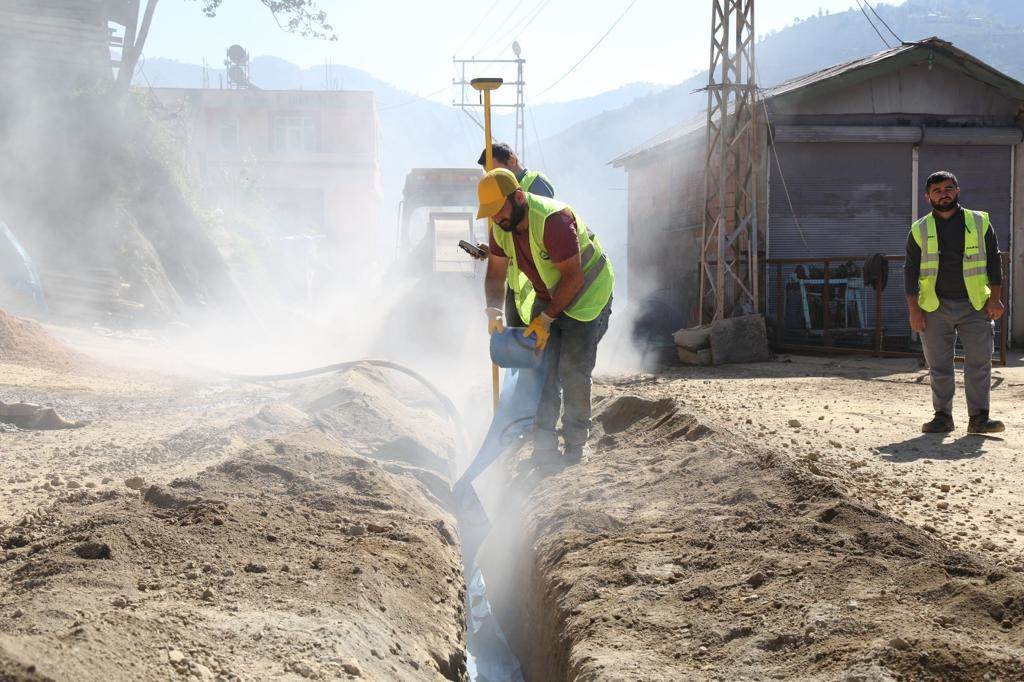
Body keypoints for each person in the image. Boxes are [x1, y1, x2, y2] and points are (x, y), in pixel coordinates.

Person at [477, 168, 613, 465]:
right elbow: (495, 274)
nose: (497, 218)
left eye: (499, 209)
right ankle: (543, 447)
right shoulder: (501, 227)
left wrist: (547, 319)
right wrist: (493, 309)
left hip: (587, 295)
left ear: (517, 197)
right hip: (551, 293)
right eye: (490, 213)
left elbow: (574, 279)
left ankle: (576, 446)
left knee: (573, 371)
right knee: (540, 372)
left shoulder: (554, 221)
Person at [905, 170, 1005, 434]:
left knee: (979, 363)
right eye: (936, 190)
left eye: (948, 188)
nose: (943, 193)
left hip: (975, 305)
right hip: (934, 308)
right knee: (939, 367)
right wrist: (914, 310)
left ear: (957, 191)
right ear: (927, 197)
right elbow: (910, 271)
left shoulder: (979, 222)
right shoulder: (920, 228)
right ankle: (942, 418)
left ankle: (979, 419)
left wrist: (995, 299)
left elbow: (995, 262)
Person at [475, 143, 554, 327]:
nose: (493, 179)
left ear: (512, 160)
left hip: (538, 285)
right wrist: (494, 252)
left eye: (496, 171)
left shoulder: (535, 184)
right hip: (515, 285)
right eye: (489, 175)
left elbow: (539, 238)